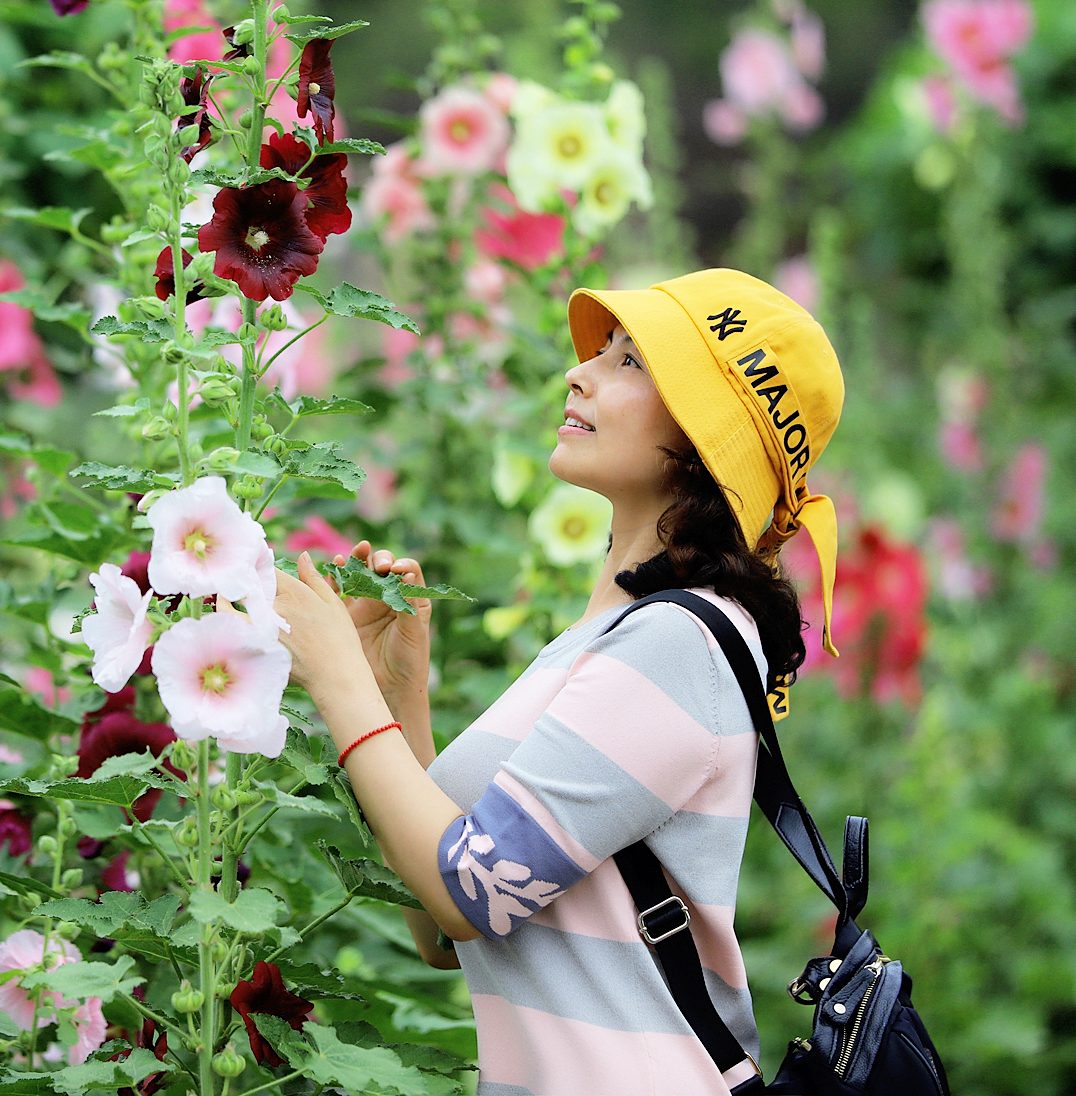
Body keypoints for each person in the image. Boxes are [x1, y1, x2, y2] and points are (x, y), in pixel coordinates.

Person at [272, 268, 845, 1095]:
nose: (578, 372)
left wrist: (335, 683)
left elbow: (471, 895)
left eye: (631, 363)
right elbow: (447, 933)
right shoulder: (609, 638)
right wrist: (392, 693)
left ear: (701, 438)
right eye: (602, 352)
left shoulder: (675, 644)